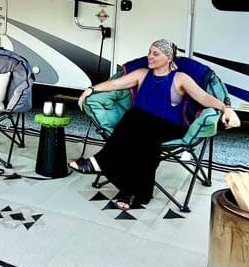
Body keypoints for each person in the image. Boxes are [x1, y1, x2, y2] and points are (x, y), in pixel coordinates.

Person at [68, 39, 240, 210]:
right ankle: (138, 193)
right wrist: (91, 89)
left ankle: (101, 163)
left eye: (155, 54)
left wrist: (227, 109)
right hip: (142, 129)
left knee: (136, 115)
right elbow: (115, 83)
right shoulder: (142, 74)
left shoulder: (179, 78)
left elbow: (203, 97)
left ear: (168, 57)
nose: (149, 56)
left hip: (170, 128)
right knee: (146, 143)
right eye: (149, 52)